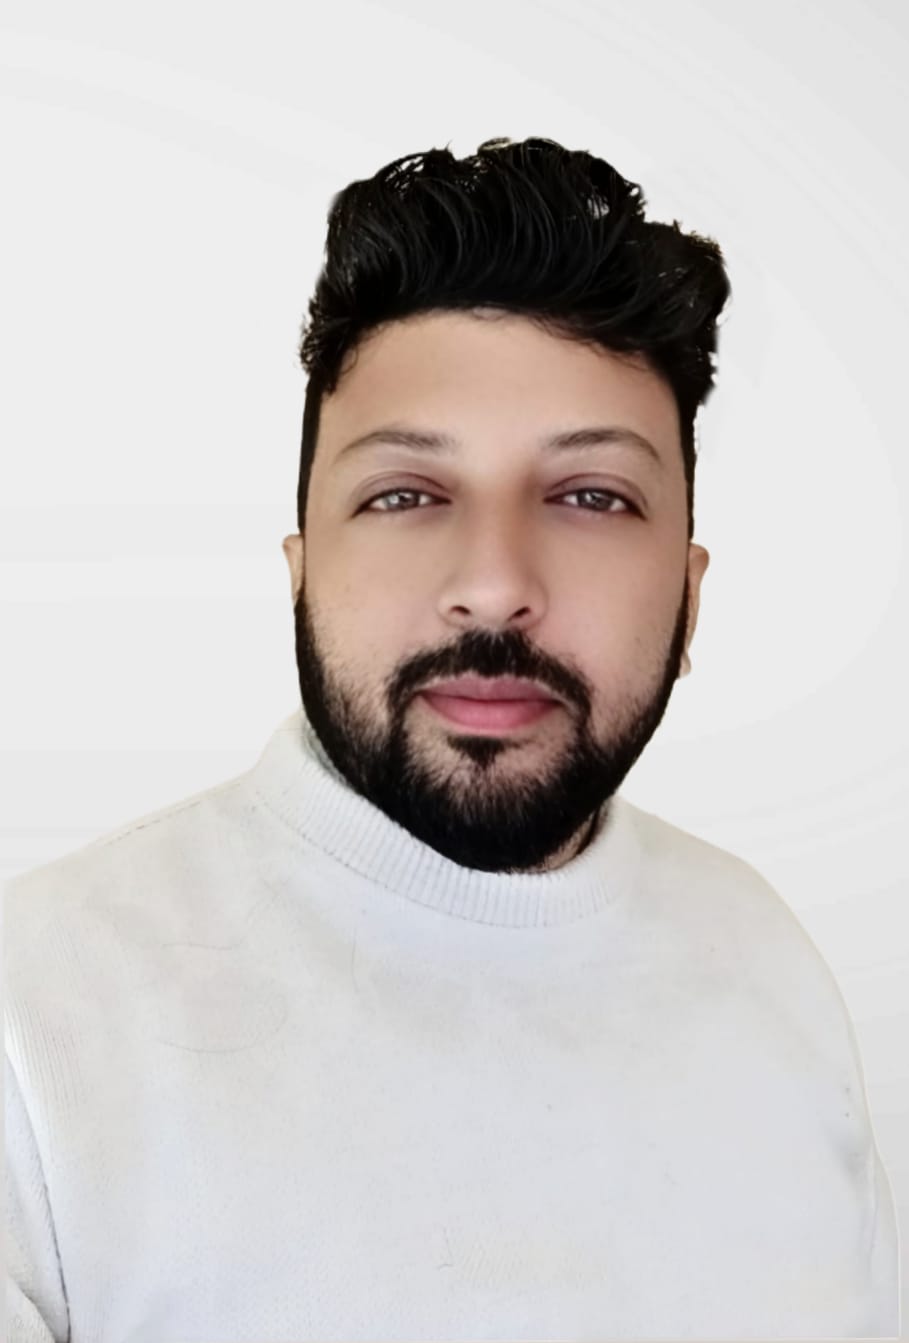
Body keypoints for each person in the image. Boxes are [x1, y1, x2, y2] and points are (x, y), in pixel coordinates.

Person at [4, 137, 898, 1342]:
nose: (494, 584)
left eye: (592, 496)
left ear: (690, 595)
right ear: (300, 574)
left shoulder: (768, 961)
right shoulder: (37, 1016)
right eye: (407, 494)